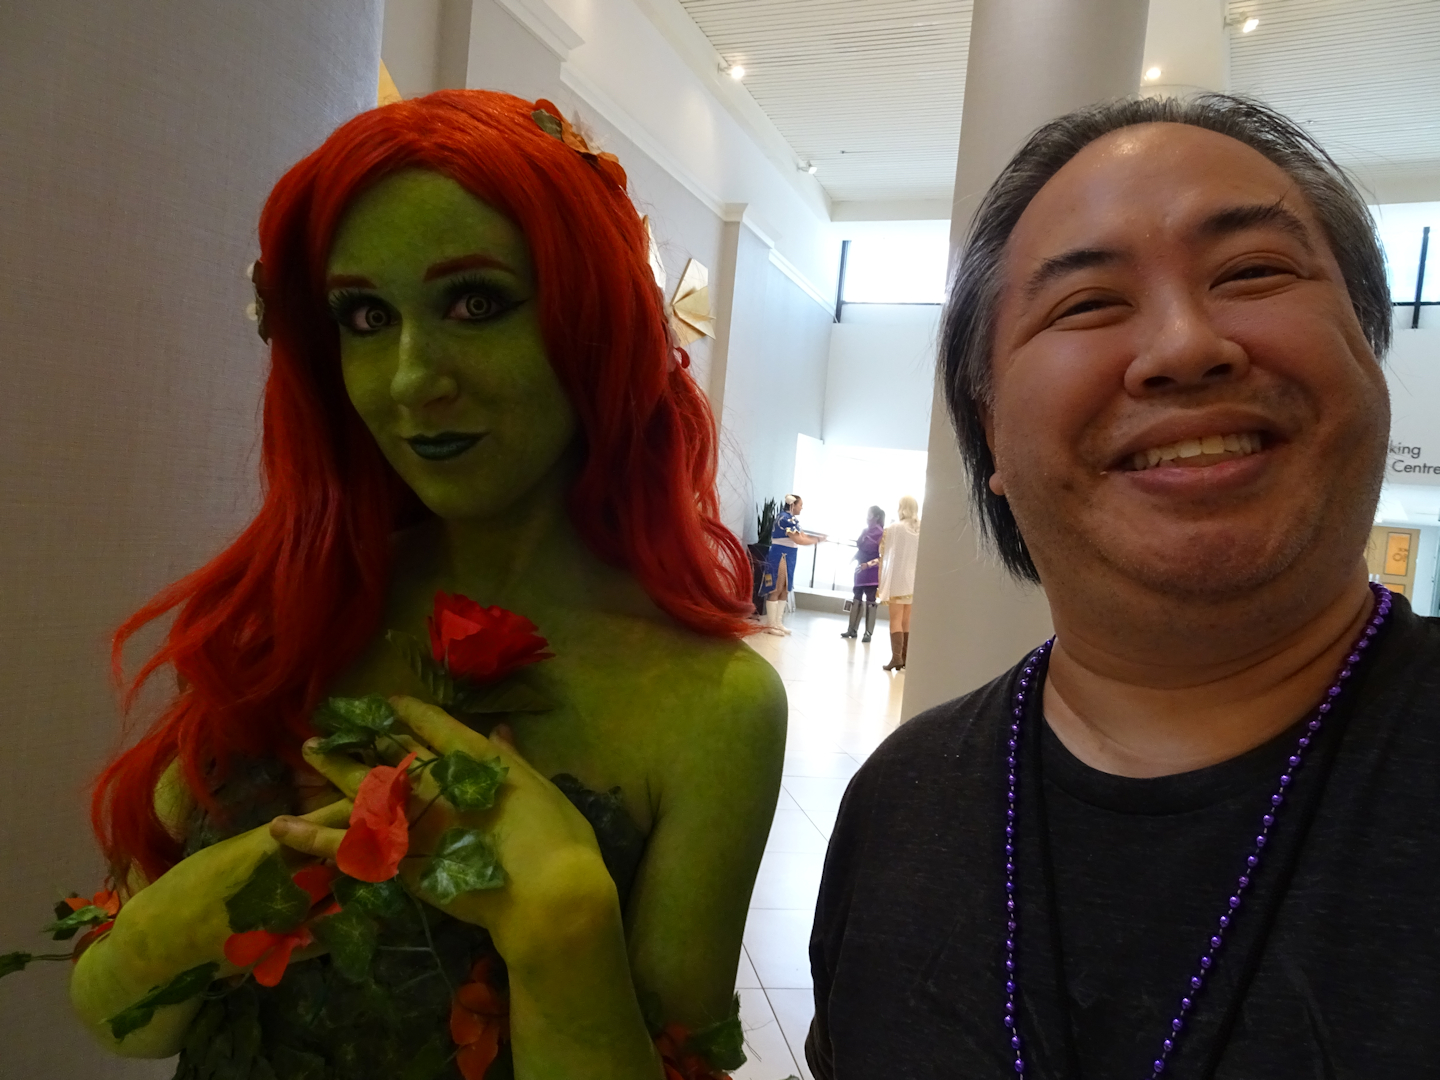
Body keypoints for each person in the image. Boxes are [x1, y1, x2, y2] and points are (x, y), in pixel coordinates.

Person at [67, 91, 786, 1080]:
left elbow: (680, 1054)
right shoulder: (285, 615)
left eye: (476, 303)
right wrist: (194, 915)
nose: (411, 378)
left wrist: (564, 929)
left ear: (599, 320)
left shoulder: (713, 708)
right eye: (366, 317)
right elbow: (121, 1020)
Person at [806, 94, 1440, 1079]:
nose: (1186, 346)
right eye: (1088, 303)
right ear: (990, 430)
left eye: (1254, 271)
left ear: (1367, 348)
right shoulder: (900, 804)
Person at [760, 494, 821, 636]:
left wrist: (816, 539)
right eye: (800, 505)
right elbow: (799, 539)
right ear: (793, 505)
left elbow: (803, 536)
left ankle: (778, 622)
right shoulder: (785, 519)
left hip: (789, 556)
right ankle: (771, 624)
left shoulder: (792, 520)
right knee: (776, 588)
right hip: (780, 555)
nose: (802, 508)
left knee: (785, 589)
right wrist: (817, 540)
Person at [876, 495, 921, 670]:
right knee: (907, 620)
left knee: (895, 619)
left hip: (897, 579)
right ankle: (905, 657)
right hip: (914, 579)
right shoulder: (921, 528)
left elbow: (884, 553)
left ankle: (896, 658)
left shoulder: (894, 528)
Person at [841, 506, 885, 642]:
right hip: (860, 570)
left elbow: (882, 556)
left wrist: (868, 564)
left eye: (869, 515)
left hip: (872, 571)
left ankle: (868, 633)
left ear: (876, 517)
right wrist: (855, 557)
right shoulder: (865, 531)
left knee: (871, 600)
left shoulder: (882, 534)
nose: (867, 518)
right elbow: (861, 548)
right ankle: (852, 629)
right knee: (856, 597)